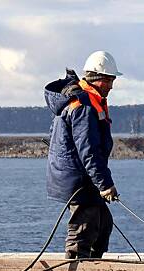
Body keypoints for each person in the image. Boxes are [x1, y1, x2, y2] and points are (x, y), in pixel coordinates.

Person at [44, 51, 122, 259]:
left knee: (103, 224)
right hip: (79, 181)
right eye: (110, 81)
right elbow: (89, 150)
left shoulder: (87, 101)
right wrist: (104, 184)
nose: (112, 87)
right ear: (99, 80)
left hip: (85, 179)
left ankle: (94, 267)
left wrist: (101, 182)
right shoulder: (84, 106)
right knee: (84, 228)